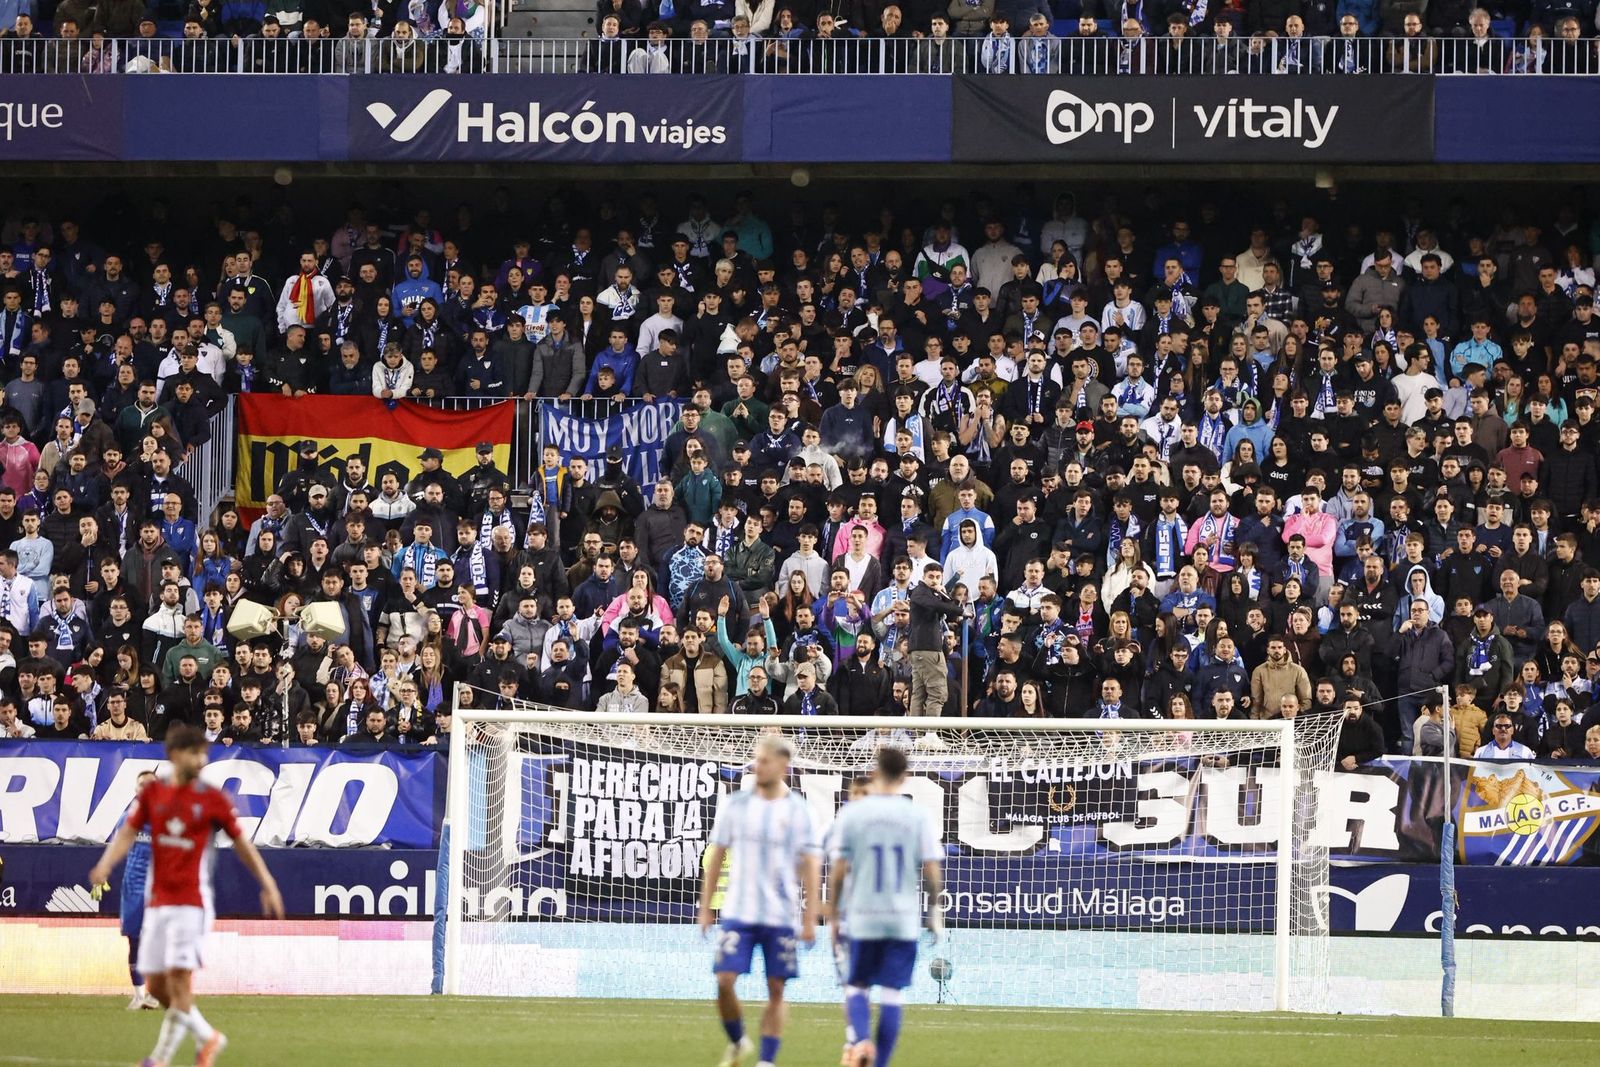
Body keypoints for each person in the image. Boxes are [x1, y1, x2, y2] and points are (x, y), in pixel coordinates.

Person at [88, 724, 284, 1067]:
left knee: (180, 982)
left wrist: (267, 882)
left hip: (192, 903)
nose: (202, 759)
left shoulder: (211, 799)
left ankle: (159, 1059)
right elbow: (126, 834)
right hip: (158, 900)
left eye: (204, 753)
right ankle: (207, 1036)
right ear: (175, 755)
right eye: (195, 752)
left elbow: (242, 845)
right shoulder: (153, 796)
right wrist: (105, 865)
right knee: (158, 986)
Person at [698, 734, 821, 1067]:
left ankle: (766, 1062)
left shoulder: (798, 809)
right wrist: (706, 907)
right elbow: (718, 853)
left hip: (781, 914)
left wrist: (811, 917)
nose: (757, 766)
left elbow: (810, 862)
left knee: (776, 989)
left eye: (764, 761)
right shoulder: (736, 804)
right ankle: (738, 1041)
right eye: (756, 760)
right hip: (740, 909)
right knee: (724, 981)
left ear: (783, 765)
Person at [828, 744, 943, 1067]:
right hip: (902, 919)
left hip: (863, 916)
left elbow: (838, 869)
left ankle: (862, 1041)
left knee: (857, 985)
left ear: (875, 772)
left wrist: (833, 908)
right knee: (893, 993)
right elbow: (932, 869)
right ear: (905, 777)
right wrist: (934, 911)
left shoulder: (854, 814)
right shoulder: (916, 815)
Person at [117, 770, 161, 1011]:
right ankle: (138, 995)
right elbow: (117, 847)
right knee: (135, 941)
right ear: (136, 791)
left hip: (159, 888)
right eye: (141, 784)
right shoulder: (127, 820)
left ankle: (154, 993)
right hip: (133, 886)